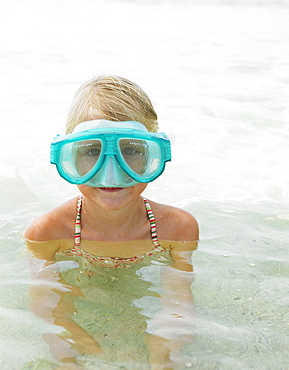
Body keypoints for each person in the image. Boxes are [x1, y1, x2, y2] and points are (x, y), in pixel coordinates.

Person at [24, 75, 199, 369]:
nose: (111, 172)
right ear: (67, 157)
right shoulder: (47, 233)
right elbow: (49, 307)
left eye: (130, 150)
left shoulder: (178, 229)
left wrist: (166, 349)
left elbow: (178, 303)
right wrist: (69, 350)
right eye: (92, 151)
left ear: (153, 156)